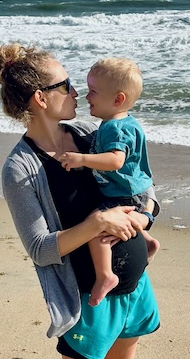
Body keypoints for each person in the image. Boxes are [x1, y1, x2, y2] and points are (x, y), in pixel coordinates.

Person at [0, 43, 168, 359]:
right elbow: (40, 248)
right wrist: (96, 224)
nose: (77, 93)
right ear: (40, 97)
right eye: (66, 85)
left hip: (133, 283)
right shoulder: (20, 168)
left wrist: (146, 218)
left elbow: (144, 186)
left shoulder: (91, 133)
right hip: (88, 295)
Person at [58, 57, 160, 306]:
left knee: (97, 227)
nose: (86, 96)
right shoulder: (122, 123)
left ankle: (105, 276)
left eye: (93, 91)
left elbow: (116, 160)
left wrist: (82, 159)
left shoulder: (115, 128)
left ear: (117, 99)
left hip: (125, 195)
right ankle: (147, 242)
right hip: (134, 193)